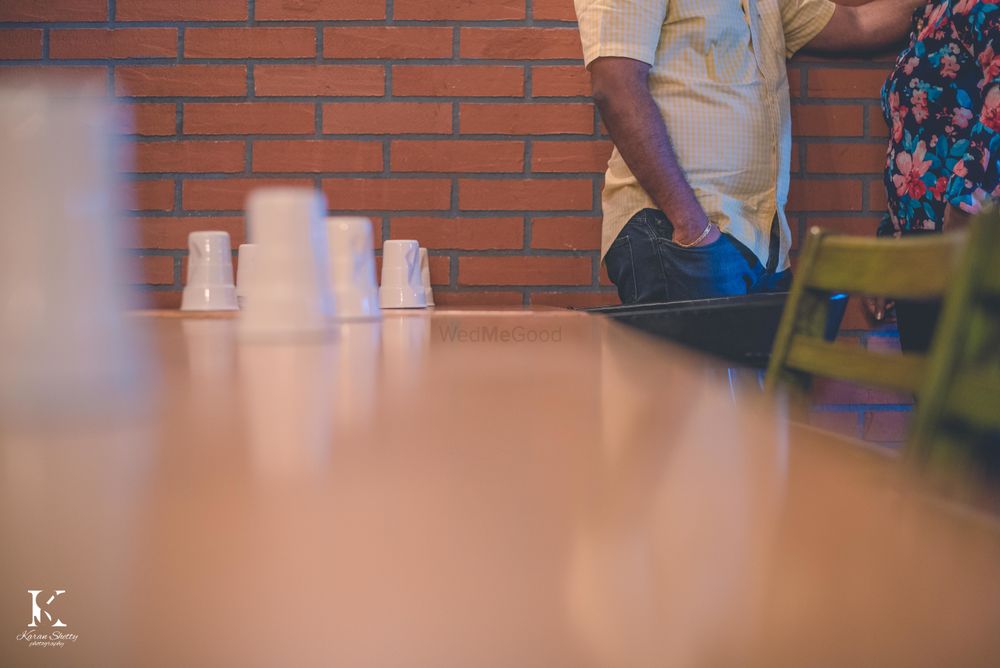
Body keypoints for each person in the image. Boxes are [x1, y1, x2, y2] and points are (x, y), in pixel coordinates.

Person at [574, 0, 926, 305]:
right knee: (689, 385)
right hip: (681, 233)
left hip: (758, 247)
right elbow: (615, 86)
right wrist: (692, 227)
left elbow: (857, 25)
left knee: (761, 385)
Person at [878, 0, 1000, 352]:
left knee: (963, 398)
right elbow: (911, 137)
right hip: (923, 244)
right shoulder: (931, 12)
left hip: (966, 238)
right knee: (929, 395)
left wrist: (966, 201)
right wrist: (891, 242)